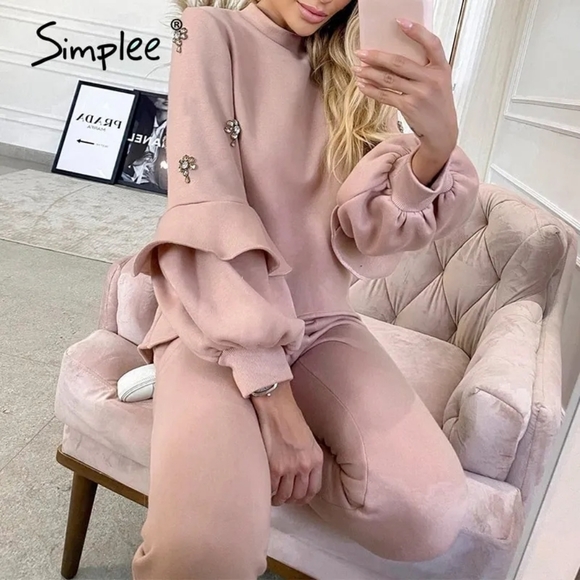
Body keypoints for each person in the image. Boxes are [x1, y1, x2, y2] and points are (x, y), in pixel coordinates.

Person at [131, 0, 479, 577]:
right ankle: (201, 405)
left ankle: (243, 449)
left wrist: (435, 147)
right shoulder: (206, 31)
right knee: (200, 553)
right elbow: (207, 208)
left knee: (429, 515)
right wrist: (274, 399)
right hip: (217, 320)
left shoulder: (355, 69)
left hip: (323, 323)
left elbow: (371, 234)